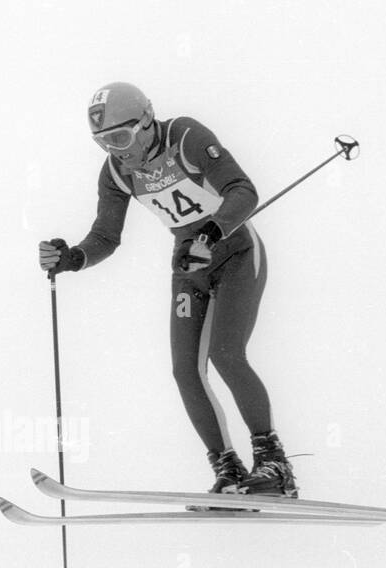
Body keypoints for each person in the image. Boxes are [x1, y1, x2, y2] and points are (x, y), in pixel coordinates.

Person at [39, 82, 293, 498]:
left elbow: (243, 191)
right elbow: (105, 236)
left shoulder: (186, 137)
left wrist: (210, 233)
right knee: (185, 370)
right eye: (103, 143)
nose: (116, 151)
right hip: (188, 262)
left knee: (226, 355)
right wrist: (73, 258)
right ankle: (227, 468)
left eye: (120, 138)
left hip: (236, 251)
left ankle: (274, 463)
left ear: (145, 122)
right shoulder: (118, 173)